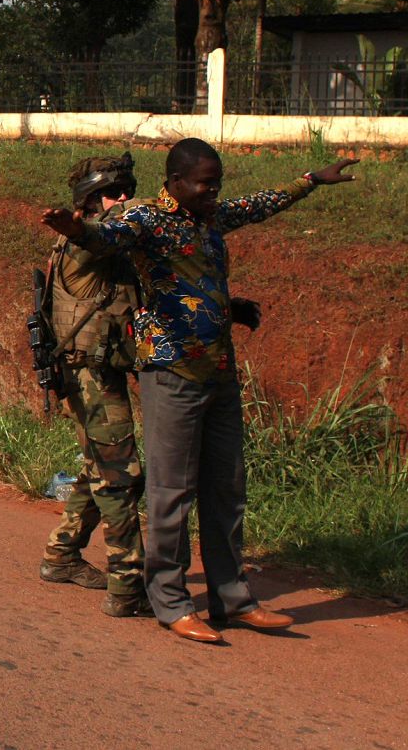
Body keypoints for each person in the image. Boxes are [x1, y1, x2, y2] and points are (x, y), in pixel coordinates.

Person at [42, 139, 358, 643]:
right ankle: (169, 601)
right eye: (205, 182)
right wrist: (75, 227)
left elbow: (258, 205)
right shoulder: (147, 218)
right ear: (175, 181)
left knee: (227, 491)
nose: (215, 191)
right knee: (172, 494)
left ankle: (232, 599)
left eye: (218, 182)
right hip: (171, 372)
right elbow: (104, 236)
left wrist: (311, 181)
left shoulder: (209, 218)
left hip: (219, 370)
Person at [37, 153, 149, 619]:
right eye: (112, 194)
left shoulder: (104, 243)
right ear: (87, 203)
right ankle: (127, 587)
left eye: (127, 190)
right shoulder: (85, 244)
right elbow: (122, 223)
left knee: (100, 468)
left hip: (96, 373)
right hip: (87, 377)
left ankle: (61, 554)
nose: (123, 201)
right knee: (121, 477)